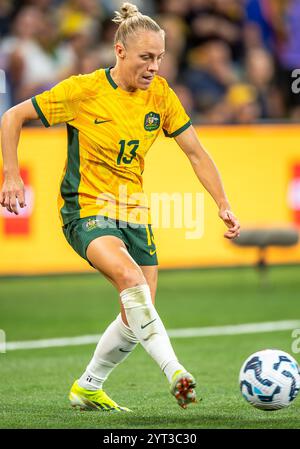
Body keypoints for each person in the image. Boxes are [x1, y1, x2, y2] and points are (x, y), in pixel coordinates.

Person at [0, 2, 240, 412]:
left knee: (136, 317)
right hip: (86, 209)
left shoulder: (161, 95)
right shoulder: (83, 91)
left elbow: (196, 153)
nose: (155, 67)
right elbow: (12, 116)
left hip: (134, 214)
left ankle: (88, 386)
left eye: (160, 58)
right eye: (146, 57)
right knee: (133, 283)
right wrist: (11, 173)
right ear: (120, 50)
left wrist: (223, 203)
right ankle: (175, 371)